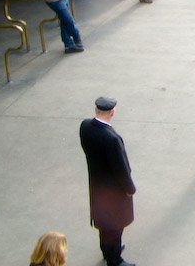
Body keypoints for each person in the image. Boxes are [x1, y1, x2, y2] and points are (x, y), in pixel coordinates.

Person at [79, 96, 136, 266]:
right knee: (115, 225)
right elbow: (121, 169)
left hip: (97, 185)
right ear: (112, 112)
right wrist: (130, 188)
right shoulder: (112, 139)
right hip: (113, 190)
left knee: (104, 222)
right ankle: (114, 259)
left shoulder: (85, 126)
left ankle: (106, 249)